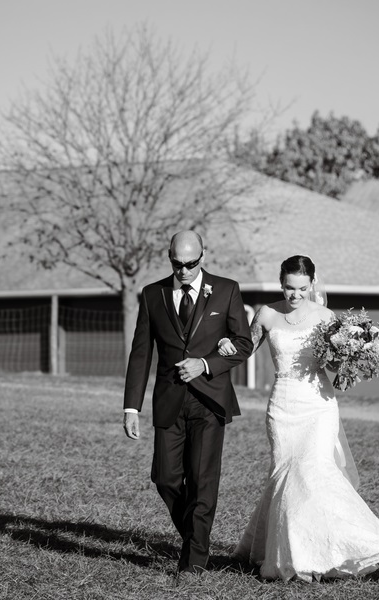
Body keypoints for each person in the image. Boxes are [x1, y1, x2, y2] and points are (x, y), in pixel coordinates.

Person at [222, 255, 379, 583]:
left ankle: (361, 547)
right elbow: (245, 349)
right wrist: (226, 343)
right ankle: (295, 552)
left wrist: (353, 361)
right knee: (286, 475)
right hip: (282, 409)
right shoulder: (267, 313)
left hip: (318, 406)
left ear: (312, 285)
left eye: (301, 288)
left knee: (316, 473)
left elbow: (336, 371)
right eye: (288, 287)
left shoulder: (326, 318)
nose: (294, 295)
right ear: (280, 282)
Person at [122, 231, 253, 584]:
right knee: (164, 477)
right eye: (177, 264)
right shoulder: (153, 294)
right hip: (168, 401)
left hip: (210, 402)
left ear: (203, 256)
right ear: (169, 258)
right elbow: (140, 353)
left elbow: (244, 344)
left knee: (202, 481)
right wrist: (131, 408)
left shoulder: (226, 290)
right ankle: (198, 540)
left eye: (191, 264)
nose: (183, 270)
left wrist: (206, 363)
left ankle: (193, 565)